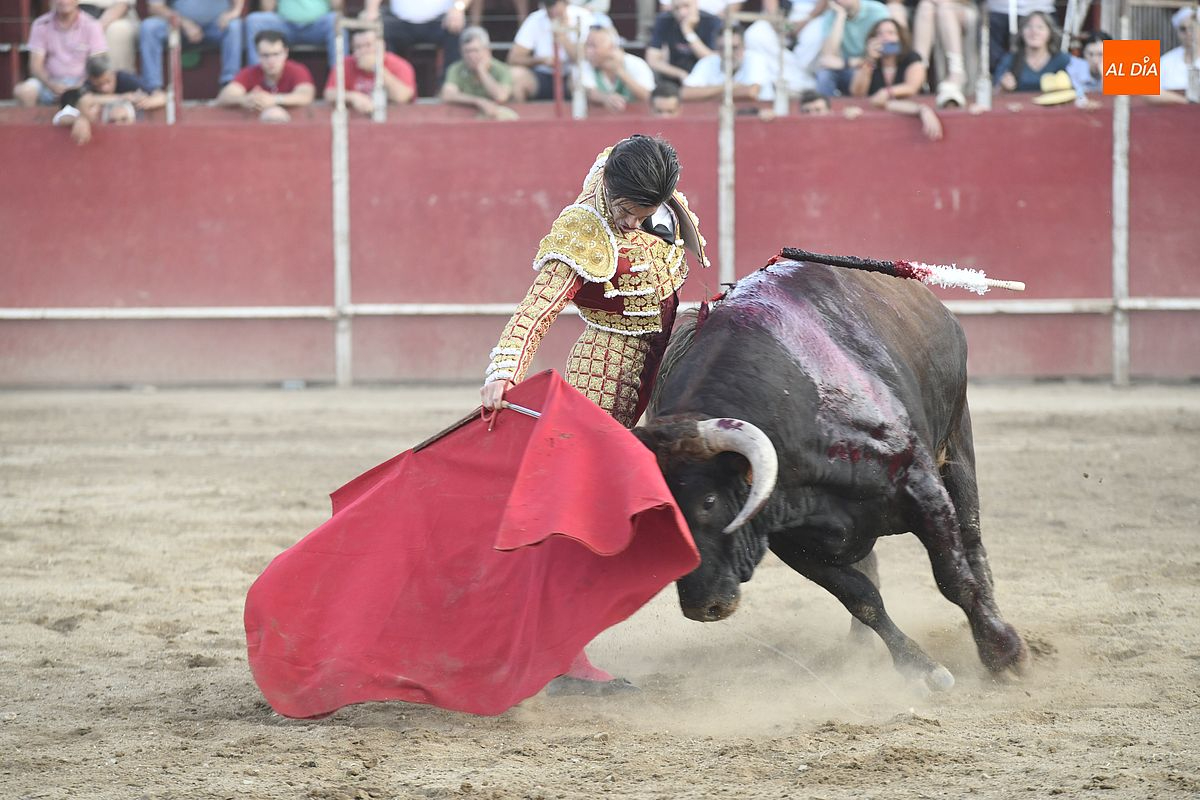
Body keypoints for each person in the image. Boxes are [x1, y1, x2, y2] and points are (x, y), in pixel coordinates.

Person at [480, 135, 709, 695]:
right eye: (630, 211)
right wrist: (503, 370)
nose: (637, 223)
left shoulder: (651, 188)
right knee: (577, 509)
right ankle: (562, 652)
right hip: (607, 370)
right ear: (611, 192)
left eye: (648, 211)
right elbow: (536, 311)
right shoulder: (584, 229)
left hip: (671, 354)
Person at [14, 0, 107, 107]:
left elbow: (97, 65)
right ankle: (32, 123)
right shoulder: (40, 24)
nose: (64, 1)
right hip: (49, 82)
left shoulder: (92, 25)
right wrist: (50, 84)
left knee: (96, 94)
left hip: (82, 84)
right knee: (23, 91)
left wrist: (79, 86)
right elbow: (35, 66)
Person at [139, 0, 244, 94]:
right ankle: (153, 88)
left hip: (217, 26)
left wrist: (234, 12)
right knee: (149, 27)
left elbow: (237, 5)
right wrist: (183, 23)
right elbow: (155, 7)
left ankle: (230, 85)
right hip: (176, 26)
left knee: (234, 26)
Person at [217, 30, 315, 122]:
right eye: (265, 55)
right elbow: (224, 96)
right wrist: (245, 99)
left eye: (276, 54)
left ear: (286, 53)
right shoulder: (250, 72)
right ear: (258, 55)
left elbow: (306, 95)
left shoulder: (297, 70)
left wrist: (274, 99)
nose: (271, 61)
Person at [507, 0, 593, 101]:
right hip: (543, 76)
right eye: (547, 4)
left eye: (554, 3)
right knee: (514, 76)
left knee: (581, 79)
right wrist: (542, 60)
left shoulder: (583, 17)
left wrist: (562, 36)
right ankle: (519, 115)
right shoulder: (535, 19)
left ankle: (581, 116)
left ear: (566, 2)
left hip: (573, 74)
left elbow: (584, 57)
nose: (551, 9)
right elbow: (513, 58)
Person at [360, 0, 472, 72]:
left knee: (458, 32)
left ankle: (450, 86)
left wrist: (458, 8)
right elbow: (371, 12)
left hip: (443, 20)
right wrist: (371, 11)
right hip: (399, 21)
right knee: (378, 32)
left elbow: (460, 6)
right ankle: (391, 88)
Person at [324, 27, 416, 112]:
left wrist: (378, 69)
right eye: (358, 47)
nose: (363, 51)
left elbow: (402, 97)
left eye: (368, 45)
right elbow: (329, 94)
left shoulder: (400, 65)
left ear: (381, 46)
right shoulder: (345, 64)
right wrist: (353, 97)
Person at [815, 0, 892, 97]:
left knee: (867, 71)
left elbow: (888, 48)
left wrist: (851, 62)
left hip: (875, 68)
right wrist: (840, 16)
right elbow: (828, 57)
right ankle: (826, 109)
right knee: (825, 75)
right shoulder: (830, 16)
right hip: (849, 70)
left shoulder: (877, 11)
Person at [440, 26, 522, 117]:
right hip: (467, 115)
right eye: (467, 51)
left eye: (475, 50)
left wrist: (482, 71)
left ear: (487, 50)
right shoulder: (456, 68)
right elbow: (448, 94)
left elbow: (501, 96)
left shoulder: (501, 69)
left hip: (496, 116)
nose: (471, 56)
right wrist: (478, 101)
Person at [682, 23, 775, 102]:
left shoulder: (755, 59)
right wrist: (731, 86)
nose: (728, 54)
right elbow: (685, 93)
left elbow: (751, 92)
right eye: (723, 48)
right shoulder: (708, 62)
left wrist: (706, 95)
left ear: (744, 47)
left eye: (734, 48)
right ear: (717, 49)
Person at [909, 0, 977, 107]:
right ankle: (919, 70)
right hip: (933, 6)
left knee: (945, 9)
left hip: (963, 8)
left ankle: (956, 71)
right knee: (925, 6)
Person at [849, 17, 925, 105]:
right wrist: (869, 60)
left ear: (900, 38)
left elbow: (912, 87)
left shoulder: (911, 57)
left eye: (891, 33)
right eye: (879, 34)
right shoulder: (871, 62)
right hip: (876, 111)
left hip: (907, 108)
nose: (885, 37)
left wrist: (886, 92)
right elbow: (857, 93)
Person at [577, 24, 655, 111]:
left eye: (593, 46)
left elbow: (645, 96)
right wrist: (606, 98)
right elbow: (588, 92)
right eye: (587, 45)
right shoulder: (586, 65)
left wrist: (619, 71)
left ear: (611, 47)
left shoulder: (636, 64)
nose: (588, 51)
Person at [645, 0, 721, 88]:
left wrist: (688, 31)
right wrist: (680, 74)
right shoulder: (664, 20)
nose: (682, 12)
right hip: (675, 75)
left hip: (706, 78)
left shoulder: (711, 21)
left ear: (696, 4)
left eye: (686, 6)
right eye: (676, 8)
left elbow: (713, 60)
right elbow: (652, 60)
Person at [246, 0, 341, 70]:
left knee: (337, 20)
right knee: (254, 20)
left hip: (318, 26)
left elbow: (337, 5)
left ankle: (338, 82)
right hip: (285, 26)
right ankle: (256, 77)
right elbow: (267, 8)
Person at [994, 10, 1069, 93]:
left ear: (1050, 33)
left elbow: (1080, 88)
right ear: (1021, 33)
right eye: (1028, 27)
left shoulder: (1063, 59)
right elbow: (995, 94)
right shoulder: (1010, 59)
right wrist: (1003, 87)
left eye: (1040, 27)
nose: (1034, 32)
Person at [1151, 7, 1200, 104]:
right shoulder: (1166, 61)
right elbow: (1148, 93)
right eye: (1183, 29)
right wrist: (1184, 101)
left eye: (1192, 28)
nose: (1188, 33)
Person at [79, 0, 139, 72]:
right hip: (77, 14)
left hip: (113, 17)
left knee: (118, 30)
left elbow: (122, 5)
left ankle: (115, 79)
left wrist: (95, 30)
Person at [1066, 30, 1108, 96]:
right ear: (1083, 54)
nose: (1095, 60)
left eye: (1100, 54)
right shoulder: (1073, 69)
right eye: (1090, 54)